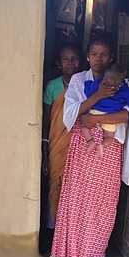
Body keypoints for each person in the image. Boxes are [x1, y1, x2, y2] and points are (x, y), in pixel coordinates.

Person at [51, 36, 129, 257]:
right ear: (88, 56)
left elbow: (128, 116)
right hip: (82, 147)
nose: (98, 59)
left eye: (104, 55)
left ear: (111, 57)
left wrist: (95, 118)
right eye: (94, 54)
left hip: (108, 150)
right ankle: (71, 253)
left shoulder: (124, 84)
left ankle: (98, 253)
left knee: (103, 202)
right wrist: (98, 97)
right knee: (76, 199)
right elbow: (71, 114)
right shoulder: (78, 81)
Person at [40, 42, 82, 240]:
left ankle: (71, 236)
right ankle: (54, 234)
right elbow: (47, 119)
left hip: (79, 145)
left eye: (74, 58)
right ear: (59, 63)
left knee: (75, 189)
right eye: (65, 59)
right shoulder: (52, 86)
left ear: (80, 61)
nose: (70, 63)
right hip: (57, 145)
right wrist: (44, 149)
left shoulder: (85, 84)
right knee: (56, 185)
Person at [81, 63, 129, 159]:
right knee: (109, 137)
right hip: (110, 118)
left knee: (84, 125)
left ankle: (90, 141)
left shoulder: (101, 82)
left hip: (94, 112)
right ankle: (102, 145)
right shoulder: (127, 91)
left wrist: (89, 84)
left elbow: (88, 92)